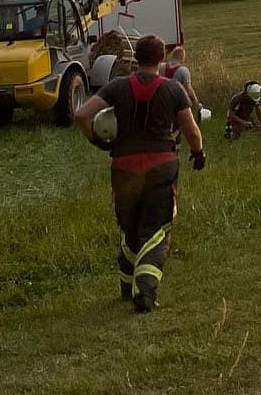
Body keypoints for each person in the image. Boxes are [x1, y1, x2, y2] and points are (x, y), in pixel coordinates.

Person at [76, 32, 204, 313]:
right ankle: (145, 291)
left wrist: (98, 141)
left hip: (123, 167)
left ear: (136, 57)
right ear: (160, 59)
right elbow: (191, 130)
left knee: (129, 227)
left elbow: (82, 115)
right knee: (156, 230)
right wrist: (198, 153)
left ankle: (126, 286)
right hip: (161, 166)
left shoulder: (117, 87)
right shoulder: (173, 90)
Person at [163, 44, 201, 115]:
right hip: (176, 106)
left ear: (173, 56)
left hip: (162, 103)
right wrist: (196, 103)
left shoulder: (161, 67)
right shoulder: (183, 70)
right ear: (182, 57)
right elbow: (189, 90)